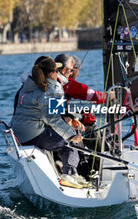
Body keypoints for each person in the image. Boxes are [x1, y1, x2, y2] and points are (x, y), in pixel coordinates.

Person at [10, 56, 86, 188]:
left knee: (60, 135)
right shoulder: (52, 89)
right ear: (51, 73)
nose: (58, 74)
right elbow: (54, 119)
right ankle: (70, 175)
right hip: (33, 135)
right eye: (56, 71)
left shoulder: (25, 87)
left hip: (18, 136)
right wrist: (71, 135)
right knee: (71, 143)